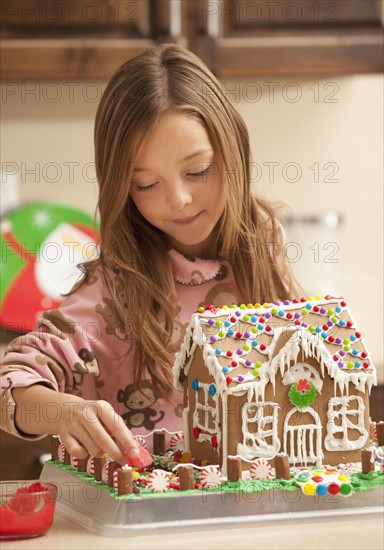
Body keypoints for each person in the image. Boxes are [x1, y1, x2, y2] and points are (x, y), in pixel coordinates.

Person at [0, 44, 295, 466]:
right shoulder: (113, 287)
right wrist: (64, 410)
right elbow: (10, 384)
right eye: (145, 184)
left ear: (234, 149)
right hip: (145, 511)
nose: (178, 199)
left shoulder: (263, 240)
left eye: (198, 171)